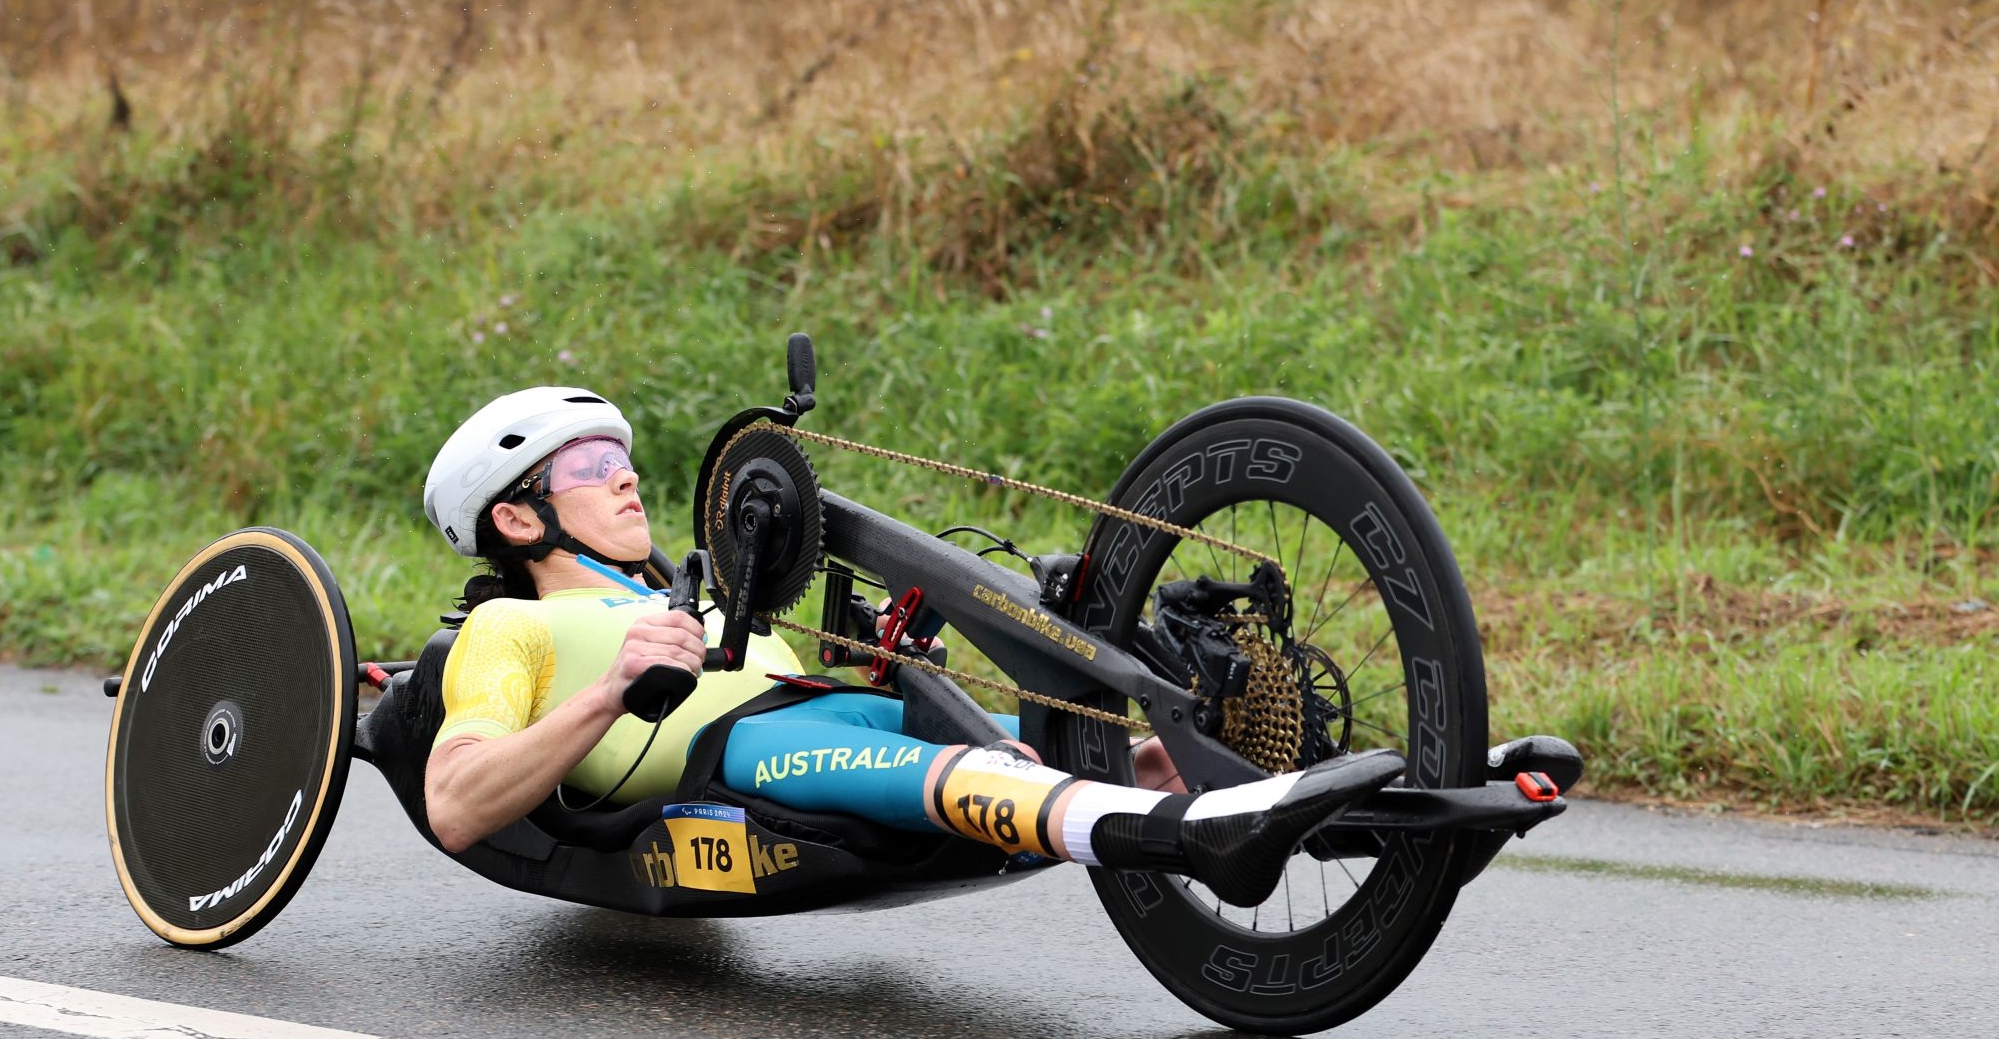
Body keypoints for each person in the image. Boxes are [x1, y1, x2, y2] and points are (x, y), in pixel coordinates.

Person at [416, 388, 1400, 907]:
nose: (625, 480)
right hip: (740, 759)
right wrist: (611, 691)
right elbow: (455, 805)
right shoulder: (514, 627)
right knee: (945, 767)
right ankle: (1197, 845)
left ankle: (1397, 809)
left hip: (828, 712)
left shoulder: (705, 599)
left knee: (1109, 750)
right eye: (591, 466)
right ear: (513, 519)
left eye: (625, 460)